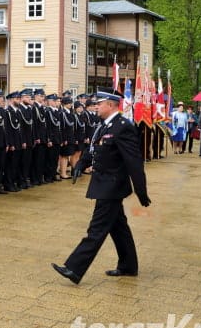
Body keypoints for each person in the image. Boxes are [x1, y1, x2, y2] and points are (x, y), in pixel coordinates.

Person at [51, 87, 151, 284]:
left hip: (111, 186)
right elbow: (94, 148)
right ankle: (128, 266)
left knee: (97, 229)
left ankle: (74, 268)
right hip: (104, 183)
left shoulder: (123, 126)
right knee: (118, 227)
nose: (96, 106)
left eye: (100, 103)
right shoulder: (104, 125)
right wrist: (81, 163)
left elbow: (134, 161)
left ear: (111, 105)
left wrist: (141, 191)